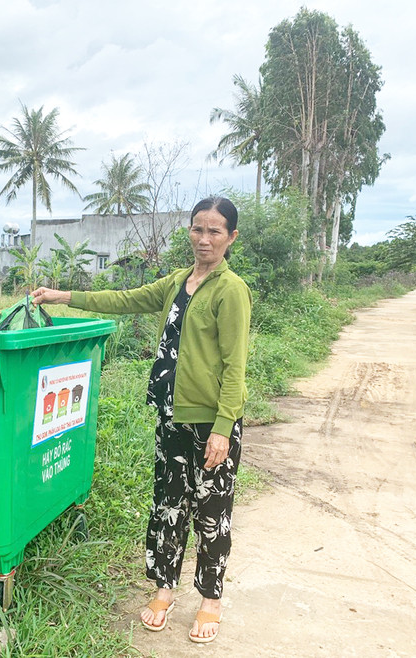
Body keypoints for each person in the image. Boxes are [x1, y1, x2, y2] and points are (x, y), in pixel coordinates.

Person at [32, 196, 252, 643]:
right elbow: (125, 298)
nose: (204, 239)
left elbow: (235, 366)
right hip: (171, 417)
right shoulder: (178, 281)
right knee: (168, 507)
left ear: (231, 237)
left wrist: (223, 429)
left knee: (212, 512)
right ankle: (165, 589)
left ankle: (210, 600)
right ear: (188, 232)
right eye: (197, 229)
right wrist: (65, 296)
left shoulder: (231, 291)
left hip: (211, 423)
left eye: (214, 231)